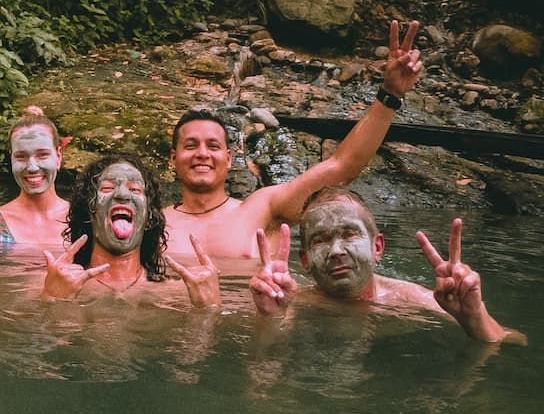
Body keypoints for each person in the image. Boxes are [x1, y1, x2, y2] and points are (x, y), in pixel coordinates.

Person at [163, 19, 426, 265]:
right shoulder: (155, 222)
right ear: (173, 159)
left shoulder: (264, 208)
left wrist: (390, 95)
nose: (202, 154)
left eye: (213, 146)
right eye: (190, 145)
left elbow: (342, 167)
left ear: (230, 158)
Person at [248, 186, 524, 344]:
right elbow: (264, 377)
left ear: (377, 247)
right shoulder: (293, 304)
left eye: (349, 234)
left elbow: (514, 340)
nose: (335, 251)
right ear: (305, 260)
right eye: (320, 240)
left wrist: (475, 317)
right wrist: (269, 319)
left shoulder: (412, 299)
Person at [42, 154, 221, 307]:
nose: (122, 195)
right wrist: (52, 300)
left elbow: (199, 346)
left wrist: (209, 307)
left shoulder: (178, 293)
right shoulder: (48, 284)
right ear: (89, 211)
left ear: (149, 216)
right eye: (108, 188)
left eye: (135, 189)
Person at [0, 108, 69, 248]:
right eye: (21, 157)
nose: (32, 167)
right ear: (11, 158)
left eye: (42, 155)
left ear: (58, 156)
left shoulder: (82, 220)